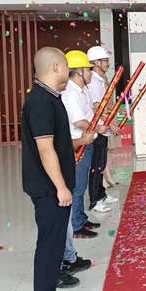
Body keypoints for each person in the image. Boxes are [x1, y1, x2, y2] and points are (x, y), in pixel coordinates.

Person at [21, 47, 94, 291]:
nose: (68, 71)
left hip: (53, 186)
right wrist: (61, 186)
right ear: (55, 67)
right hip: (49, 188)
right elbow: (45, 148)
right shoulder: (40, 101)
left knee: (53, 248)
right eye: (65, 66)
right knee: (49, 247)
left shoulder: (50, 98)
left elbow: (59, 144)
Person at [61, 50, 108, 239]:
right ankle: (76, 225)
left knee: (81, 184)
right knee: (78, 186)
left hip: (87, 141)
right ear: (79, 72)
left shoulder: (82, 90)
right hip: (78, 144)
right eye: (88, 70)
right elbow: (79, 121)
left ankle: (81, 218)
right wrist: (98, 128)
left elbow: (89, 113)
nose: (90, 73)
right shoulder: (71, 94)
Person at [86, 46, 119, 214]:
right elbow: (97, 107)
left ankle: (101, 194)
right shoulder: (92, 81)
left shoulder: (100, 80)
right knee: (96, 166)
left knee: (101, 163)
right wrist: (111, 124)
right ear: (95, 63)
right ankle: (95, 200)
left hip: (103, 128)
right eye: (105, 60)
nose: (107, 63)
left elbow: (106, 105)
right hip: (97, 129)